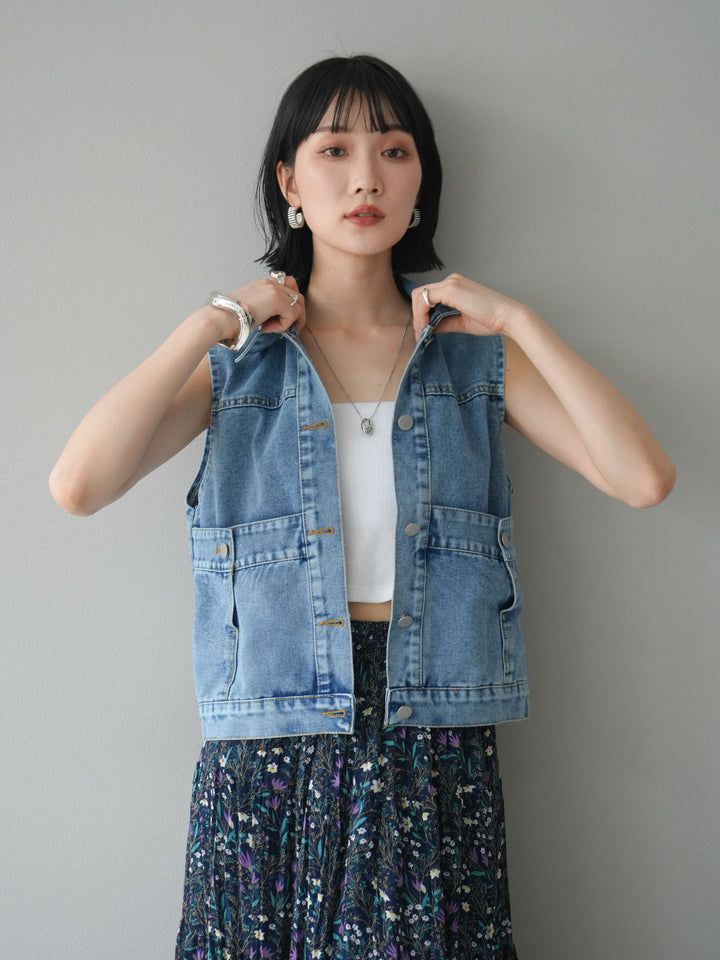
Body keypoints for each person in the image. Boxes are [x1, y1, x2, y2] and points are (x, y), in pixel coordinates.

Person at [49, 54, 675, 960]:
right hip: (275, 741)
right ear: (289, 183)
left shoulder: (470, 358)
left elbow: (642, 478)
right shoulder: (239, 366)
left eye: (393, 150)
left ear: (421, 183)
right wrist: (210, 321)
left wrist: (519, 321)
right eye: (334, 150)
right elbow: (78, 485)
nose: (366, 178)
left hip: (432, 736)